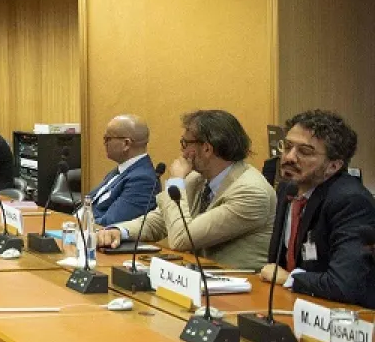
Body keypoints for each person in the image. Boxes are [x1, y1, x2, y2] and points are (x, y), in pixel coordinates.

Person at [96, 109, 274, 270]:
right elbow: (159, 220)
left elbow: (182, 239)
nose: (182, 152)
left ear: (206, 148)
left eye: (185, 144)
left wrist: (175, 182)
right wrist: (118, 231)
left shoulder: (251, 192)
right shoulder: (197, 179)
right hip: (199, 277)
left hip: (241, 285)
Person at [258, 110, 375, 306]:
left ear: (333, 166)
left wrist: (290, 278)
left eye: (304, 152)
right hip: (293, 303)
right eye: (287, 147)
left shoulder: (350, 201)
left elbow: (344, 284)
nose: (289, 157)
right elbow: (276, 266)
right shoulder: (288, 189)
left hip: (342, 314)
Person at [88, 114, 157, 225]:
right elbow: (90, 204)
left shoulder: (143, 180)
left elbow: (110, 223)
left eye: (107, 139)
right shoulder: (121, 170)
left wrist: (77, 223)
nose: (104, 143)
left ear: (126, 144)